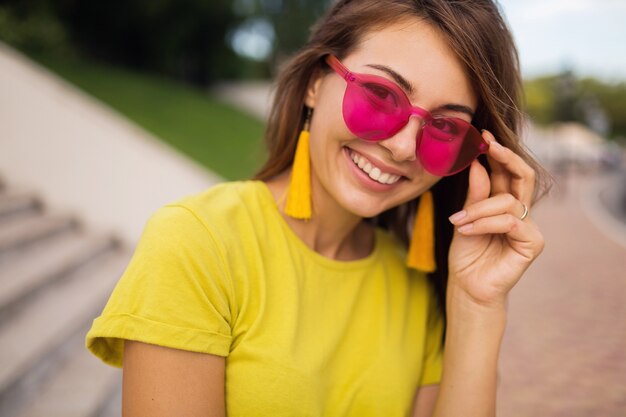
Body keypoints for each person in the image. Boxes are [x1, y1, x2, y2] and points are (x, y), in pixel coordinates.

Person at [86, 0, 550, 416]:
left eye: (446, 127)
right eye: (381, 95)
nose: (404, 146)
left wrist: (478, 305)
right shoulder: (198, 242)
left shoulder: (417, 286)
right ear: (313, 83)